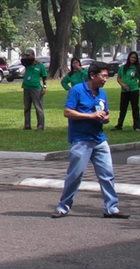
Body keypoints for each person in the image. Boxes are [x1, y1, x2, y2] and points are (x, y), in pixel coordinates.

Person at [51, 62, 130, 219]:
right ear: (93, 75)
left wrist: (105, 118)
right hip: (81, 139)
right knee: (75, 175)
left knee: (107, 174)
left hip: (99, 139)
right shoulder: (77, 90)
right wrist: (90, 116)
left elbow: (105, 114)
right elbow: (67, 112)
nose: (105, 79)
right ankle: (63, 207)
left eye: (107, 76)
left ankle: (111, 208)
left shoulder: (102, 94)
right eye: (103, 76)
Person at [21, 49, 47, 131]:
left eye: (29, 55)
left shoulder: (40, 65)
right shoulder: (27, 64)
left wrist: (44, 86)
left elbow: (44, 76)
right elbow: (22, 61)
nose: (27, 57)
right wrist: (32, 60)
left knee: (38, 108)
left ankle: (40, 126)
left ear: (33, 55)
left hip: (36, 88)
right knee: (27, 107)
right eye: (26, 55)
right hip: (26, 87)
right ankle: (27, 125)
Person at [113, 51, 139, 131]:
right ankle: (119, 125)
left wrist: (136, 85)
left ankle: (137, 126)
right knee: (123, 108)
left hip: (134, 90)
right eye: (132, 57)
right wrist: (122, 85)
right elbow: (118, 78)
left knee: (135, 108)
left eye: (135, 58)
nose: (133, 59)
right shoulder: (123, 68)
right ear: (129, 58)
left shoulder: (136, 68)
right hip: (124, 91)